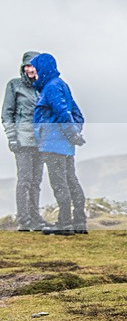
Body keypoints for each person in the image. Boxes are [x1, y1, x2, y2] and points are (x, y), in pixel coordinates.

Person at [31, 53, 87, 236]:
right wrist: (73, 134)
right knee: (71, 181)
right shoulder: (60, 85)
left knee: (60, 183)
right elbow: (77, 115)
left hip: (54, 144)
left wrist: (72, 135)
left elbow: (63, 114)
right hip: (63, 144)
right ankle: (79, 222)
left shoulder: (51, 87)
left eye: (36, 69)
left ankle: (64, 223)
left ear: (43, 68)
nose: (34, 73)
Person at [2, 51, 49, 231]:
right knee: (25, 180)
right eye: (27, 66)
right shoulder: (14, 86)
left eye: (33, 66)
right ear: (23, 68)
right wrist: (12, 137)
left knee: (36, 181)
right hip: (22, 141)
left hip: (41, 142)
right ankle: (24, 220)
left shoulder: (44, 87)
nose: (30, 69)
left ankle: (35, 218)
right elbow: (7, 114)